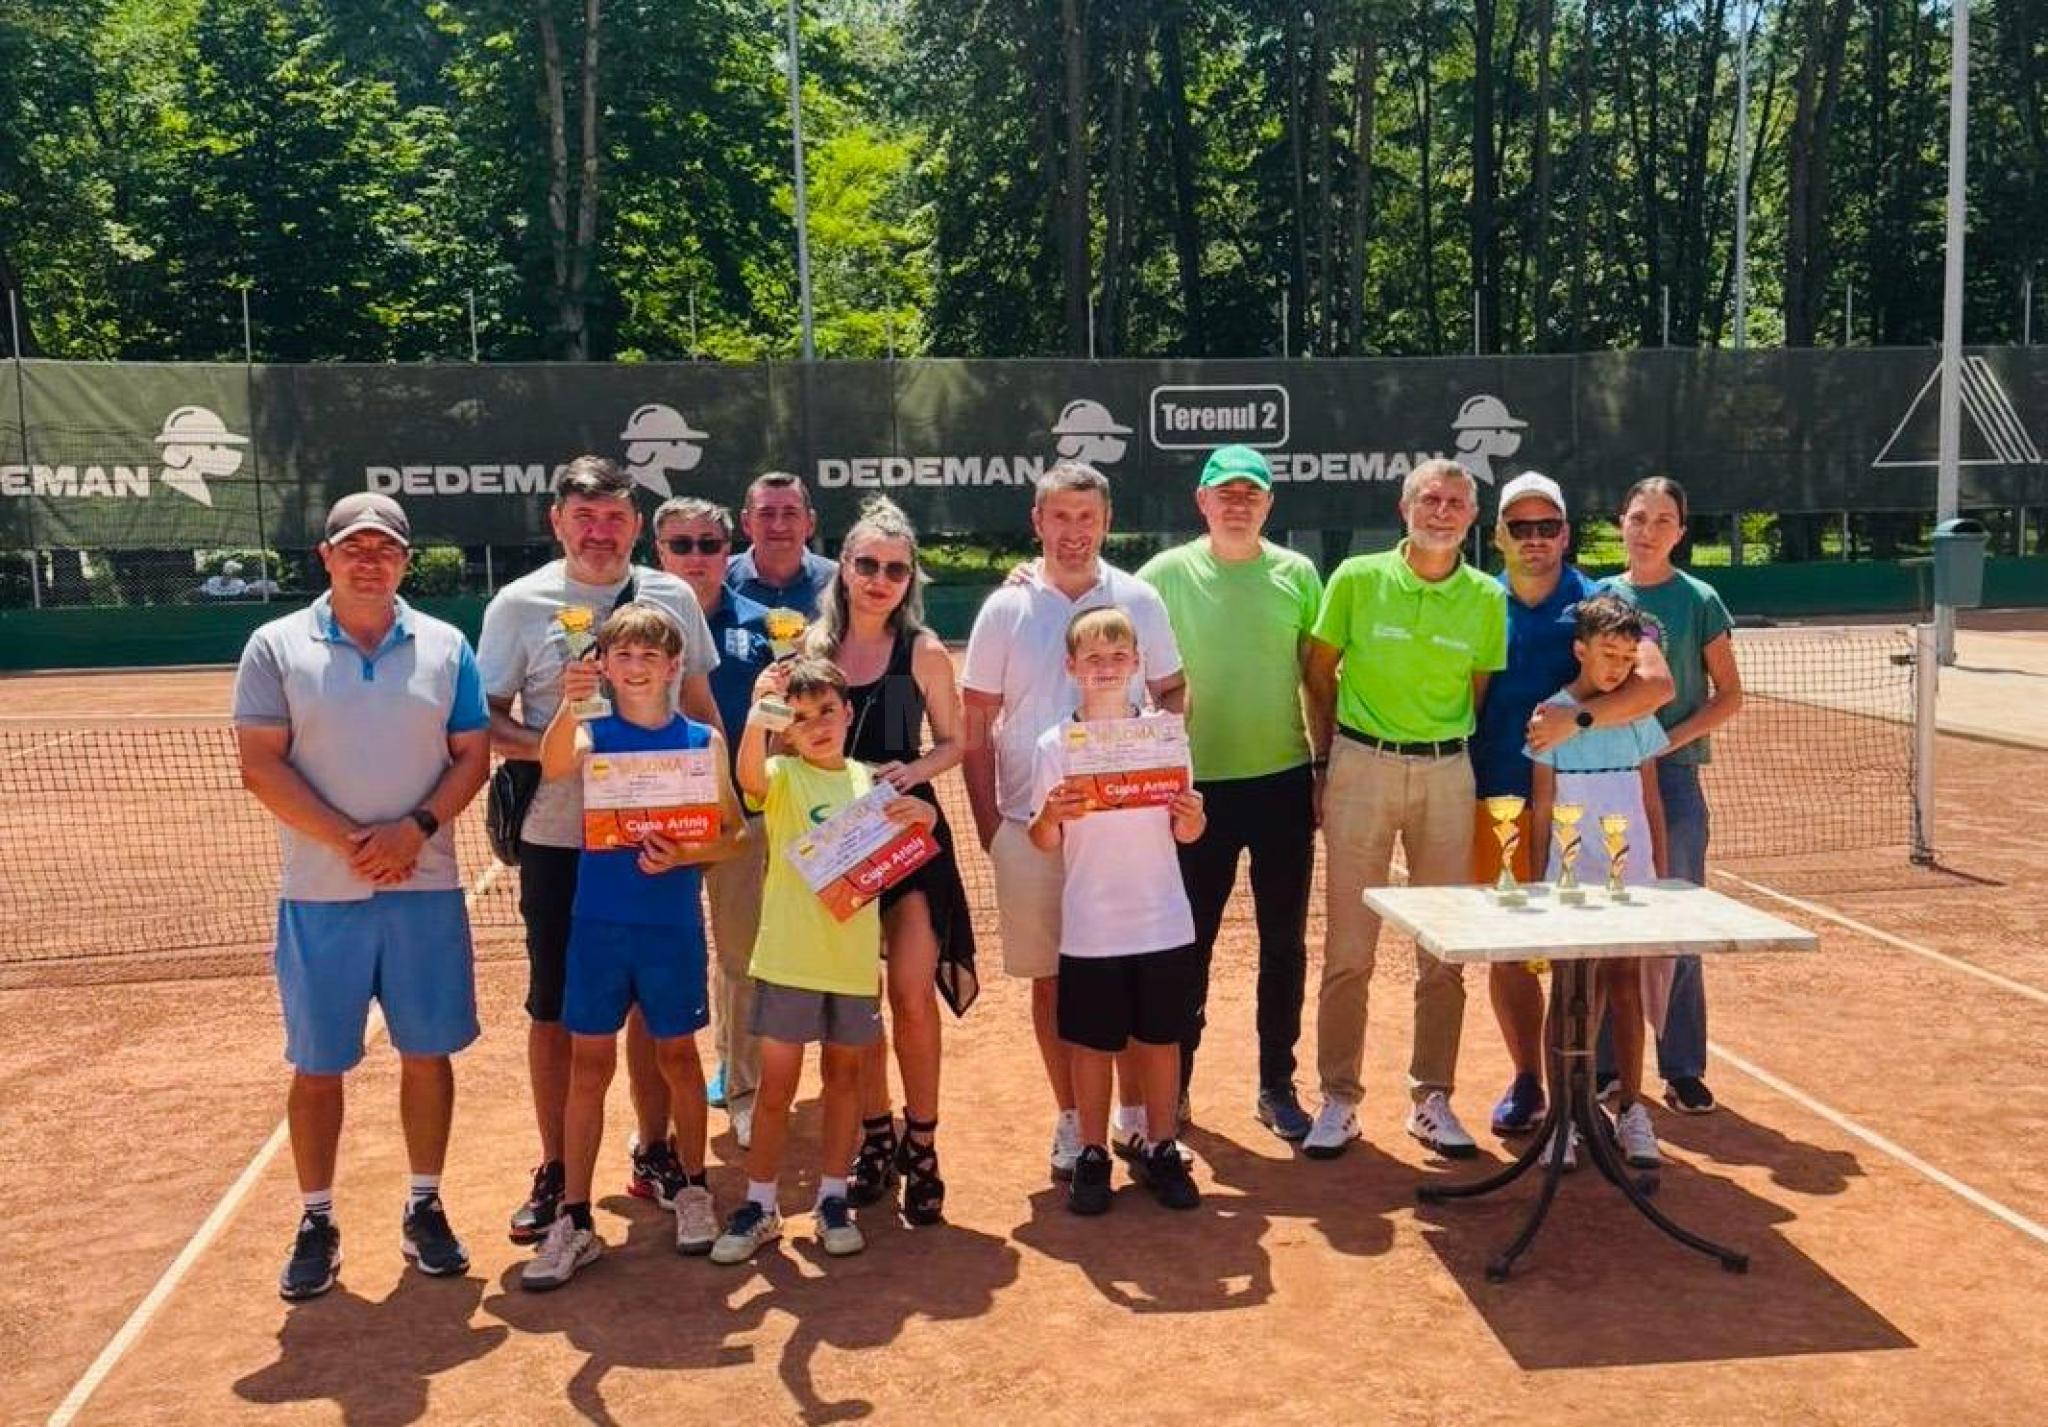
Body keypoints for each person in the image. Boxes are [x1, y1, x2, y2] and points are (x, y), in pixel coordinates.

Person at [232, 492, 491, 1301]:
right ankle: (316, 1218)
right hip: (320, 895)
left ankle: (425, 1204)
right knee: (318, 1065)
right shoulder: (275, 645)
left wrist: (415, 830)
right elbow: (260, 764)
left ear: (406, 560)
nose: (370, 561)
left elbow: (473, 754)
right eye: (354, 547)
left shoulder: (447, 645)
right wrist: (354, 841)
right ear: (326, 556)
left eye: (385, 548)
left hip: (426, 888)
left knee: (428, 1053)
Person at [476, 456, 725, 1245]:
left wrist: (714, 800)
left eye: (614, 517)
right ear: (556, 521)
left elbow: (699, 704)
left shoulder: (672, 596)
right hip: (560, 839)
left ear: (636, 525)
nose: (598, 531)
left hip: (658, 839)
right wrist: (577, 752)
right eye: (582, 516)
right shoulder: (519, 604)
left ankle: (656, 1151)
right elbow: (485, 718)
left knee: (658, 1010)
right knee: (556, 1008)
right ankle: (559, 1167)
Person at [960, 461, 1186, 1181]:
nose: (1074, 531)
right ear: (1038, 522)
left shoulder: (1140, 598)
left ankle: (1132, 1119)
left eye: (1087, 517)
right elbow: (976, 719)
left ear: (1107, 522)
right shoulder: (1005, 608)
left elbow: (1172, 690)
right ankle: (1071, 1119)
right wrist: (992, 823)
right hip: (1031, 828)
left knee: (1127, 969)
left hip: (1126, 836)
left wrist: (1158, 761)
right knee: (1055, 981)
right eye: (1060, 516)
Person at [520, 604, 749, 1290]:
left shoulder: (703, 740)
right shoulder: (590, 732)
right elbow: (553, 764)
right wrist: (568, 703)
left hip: (670, 926)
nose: (638, 666)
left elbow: (734, 834)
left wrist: (688, 852)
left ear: (675, 664)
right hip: (597, 924)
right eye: (623, 655)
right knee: (588, 1067)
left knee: (678, 1057)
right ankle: (574, 1217)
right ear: (606, 666)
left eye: (651, 655)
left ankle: (693, 1187)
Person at [1303, 459, 1506, 1161]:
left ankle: (1432, 1099)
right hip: (1360, 767)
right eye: (1430, 499)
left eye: (1455, 503)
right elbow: (1317, 669)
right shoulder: (1356, 579)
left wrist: (1434, 742)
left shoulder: (1486, 598)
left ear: (1471, 518)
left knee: (1443, 947)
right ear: (1405, 507)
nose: (1441, 512)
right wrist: (1330, 758)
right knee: (1348, 948)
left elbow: (1477, 689)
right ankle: (1337, 1098)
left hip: (1449, 773)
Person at [711, 657, 940, 1264]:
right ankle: (761, 1204)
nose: (816, 725)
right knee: (776, 1090)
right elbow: (749, 776)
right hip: (789, 962)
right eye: (802, 717)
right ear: (786, 729)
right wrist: (759, 713)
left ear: (848, 713)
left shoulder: (871, 782)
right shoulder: (783, 775)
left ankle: (833, 1199)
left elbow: (909, 839)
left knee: (844, 1082)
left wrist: (927, 814)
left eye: (827, 712)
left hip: (851, 967)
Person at [1471, 471, 1673, 1138]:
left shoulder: (1602, 600)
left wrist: (1572, 722)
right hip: (1500, 798)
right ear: (1500, 535)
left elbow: (1655, 685)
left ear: (1565, 533)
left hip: (1582, 803)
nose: (1534, 537)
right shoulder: (1477, 598)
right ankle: (1529, 1080)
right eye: (1520, 526)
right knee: (1511, 951)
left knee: (1591, 965)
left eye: (1547, 525)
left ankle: (1593, 1096)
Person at [1137, 445, 1322, 1142]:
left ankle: (1277, 1084)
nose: (1238, 503)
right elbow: (1100, 605)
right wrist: (1029, 574)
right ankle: (1176, 1086)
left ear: (1269, 504)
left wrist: (1323, 766)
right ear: (1202, 501)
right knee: (1189, 945)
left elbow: (1318, 679)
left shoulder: (1298, 574)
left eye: (1252, 493)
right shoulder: (1163, 575)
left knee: (1284, 945)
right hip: (1194, 794)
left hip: (1283, 782)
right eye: (1226, 492)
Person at [802, 495, 978, 1227]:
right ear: (844, 566)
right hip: (838, 840)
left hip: (907, 834)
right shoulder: (810, 650)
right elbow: (789, 742)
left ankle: (922, 1144)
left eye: (895, 570)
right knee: (857, 1003)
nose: (880, 580)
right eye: (868, 564)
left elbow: (956, 741)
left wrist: (912, 772)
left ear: (910, 579)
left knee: (910, 994)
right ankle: (876, 1138)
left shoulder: (924, 650)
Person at [1029, 608, 1208, 1214]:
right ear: (1071, 667)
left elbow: (1187, 830)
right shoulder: (1055, 744)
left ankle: (1161, 1146)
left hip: (1163, 920)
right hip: (1091, 927)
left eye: (1118, 657)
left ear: (1136, 663)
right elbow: (1043, 839)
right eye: (1093, 658)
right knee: (1091, 1045)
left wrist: (1194, 817)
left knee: (1160, 1039)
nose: (1106, 667)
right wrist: (1049, 816)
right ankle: (1091, 1153)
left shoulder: (1165, 737)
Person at [1602, 476, 1744, 1114]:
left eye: (1663, 520)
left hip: (1676, 780)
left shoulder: (1700, 599)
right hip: (1607, 781)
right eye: (1639, 517)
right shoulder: (1600, 596)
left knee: (1677, 922)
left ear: (1681, 532)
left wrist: (1663, 743)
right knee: (1605, 923)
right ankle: (1606, 1066)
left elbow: (1729, 695)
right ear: (1621, 523)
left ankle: (1682, 1066)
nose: (1649, 530)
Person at [1527, 592, 1674, 1170]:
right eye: (1607, 655)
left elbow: (1651, 800)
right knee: (1569, 994)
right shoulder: (1549, 717)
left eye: (1626, 658)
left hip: (1629, 879)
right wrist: (1538, 884)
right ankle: (1564, 1115)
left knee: (1625, 983)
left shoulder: (1636, 716)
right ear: (1579, 650)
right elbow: (1542, 808)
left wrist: (1660, 875)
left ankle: (1633, 1110)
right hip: (1568, 882)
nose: (1616, 668)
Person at [654, 496, 773, 1149]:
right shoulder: (636, 624)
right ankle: (661, 1109)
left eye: (709, 544)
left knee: (740, 959)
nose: (695, 557)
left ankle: (743, 1088)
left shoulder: (764, 626)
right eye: (681, 544)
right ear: (659, 552)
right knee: (665, 963)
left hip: (741, 821)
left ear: (729, 551)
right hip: (658, 825)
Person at [725, 471, 837, 613]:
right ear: (746, 522)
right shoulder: (718, 579)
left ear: (810, 522)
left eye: (790, 514)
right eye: (766, 514)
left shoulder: (839, 581)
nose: (778, 526)